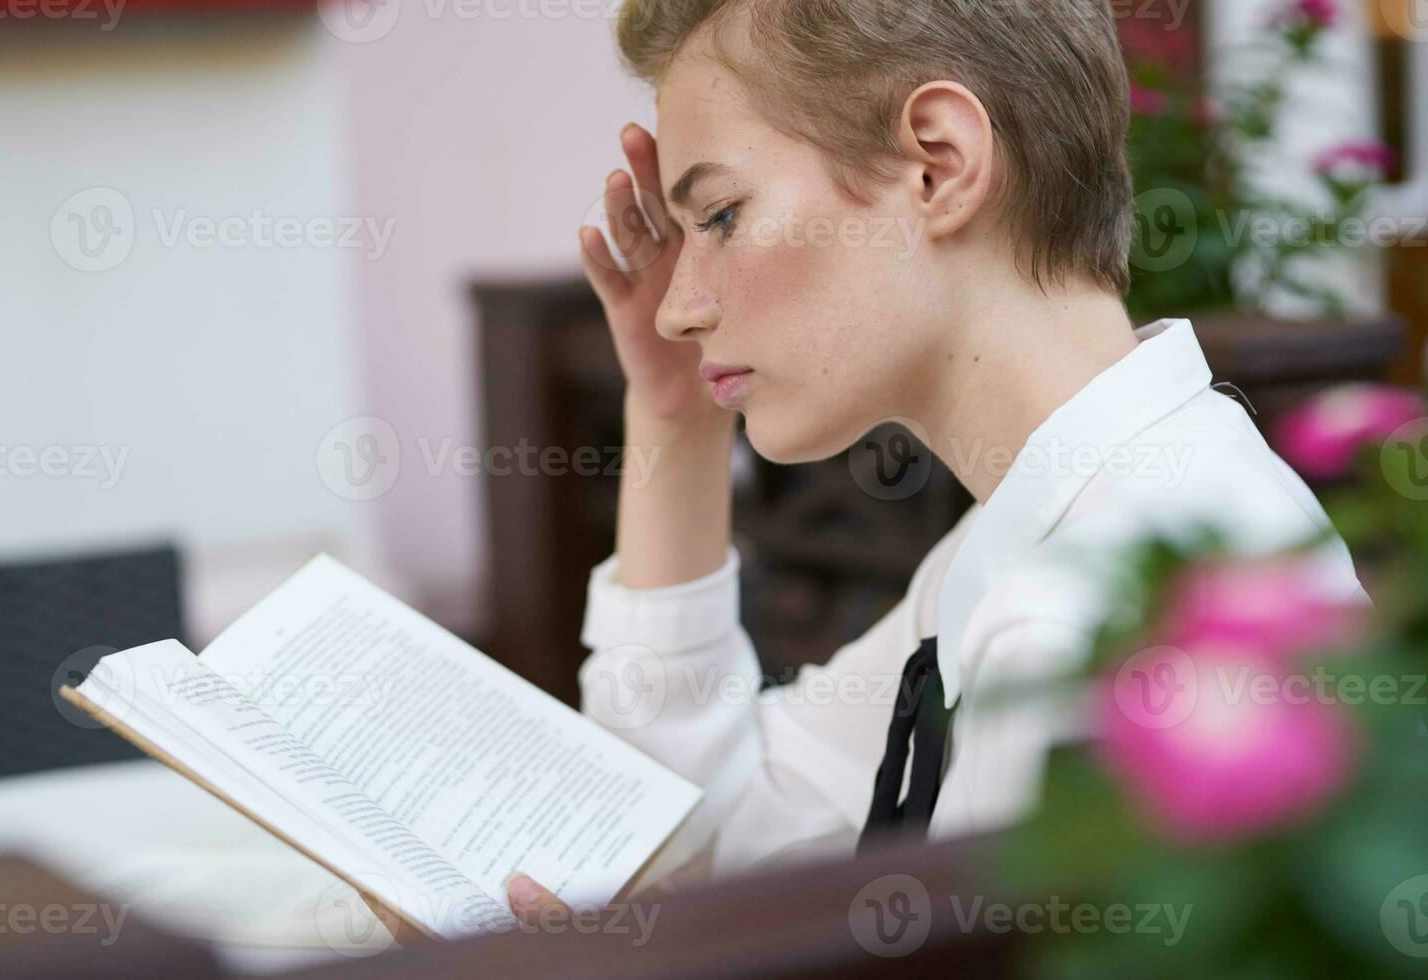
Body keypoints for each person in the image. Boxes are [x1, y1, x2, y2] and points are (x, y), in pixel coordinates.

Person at [499, 0, 1367, 923]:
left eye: (718, 215)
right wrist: (675, 415)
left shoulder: (1103, 616)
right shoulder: (1015, 542)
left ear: (937, 164)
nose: (677, 308)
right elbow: (708, 840)